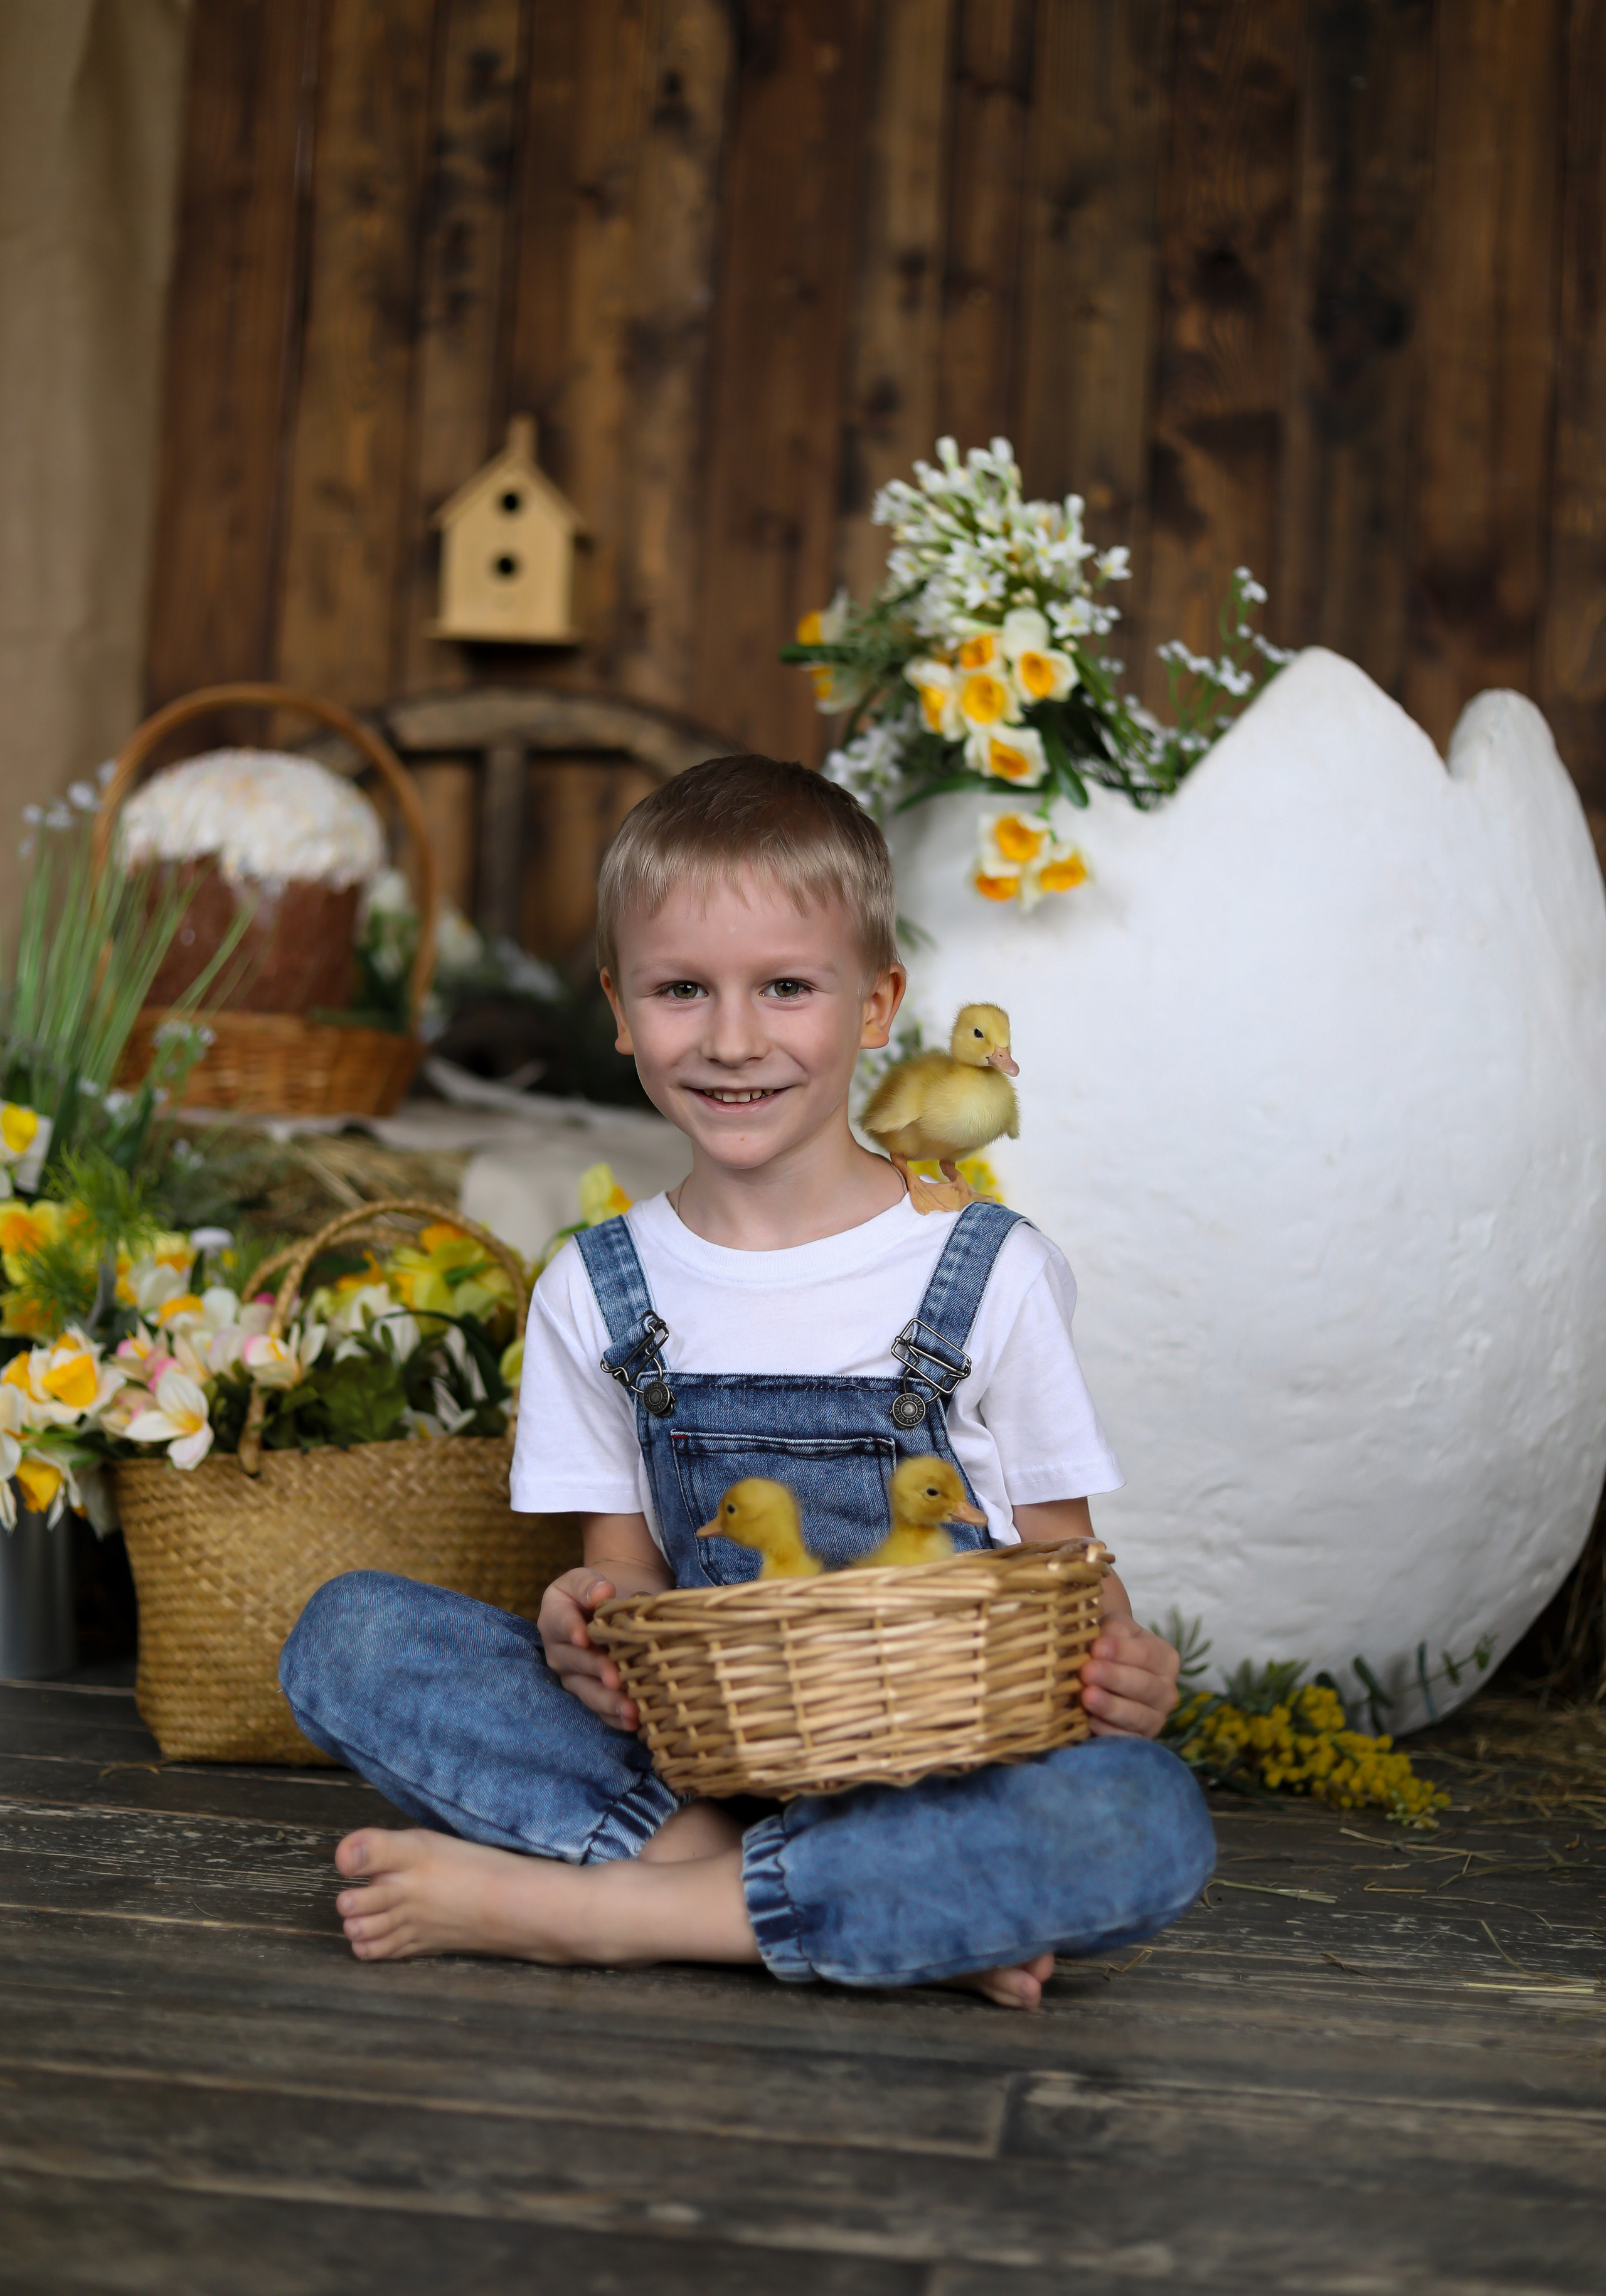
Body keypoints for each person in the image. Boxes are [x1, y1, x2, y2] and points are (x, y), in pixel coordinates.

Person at [280, 756, 1214, 2009]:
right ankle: (858, 1902)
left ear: (875, 1004)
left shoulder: (989, 1272)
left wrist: (1125, 1679)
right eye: (680, 990)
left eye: (785, 987)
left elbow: (1065, 1590)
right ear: (618, 1009)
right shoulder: (593, 1287)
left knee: (1140, 1817)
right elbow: (629, 1594)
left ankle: (598, 1915)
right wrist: (581, 1625)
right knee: (352, 1639)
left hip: (947, 1768)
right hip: (695, 1771)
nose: (730, 1039)